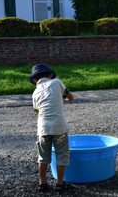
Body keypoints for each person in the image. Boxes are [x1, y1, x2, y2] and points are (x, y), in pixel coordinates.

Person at [29, 64, 74, 193]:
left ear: (34, 80)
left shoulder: (35, 92)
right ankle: (60, 184)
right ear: (50, 75)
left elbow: (37, 111)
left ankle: (42, 184)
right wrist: (63, 96)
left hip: (43, 128)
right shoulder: (57, 82)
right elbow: (69, 97)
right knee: (61, 155)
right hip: (59, 127)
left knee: (43, 157)